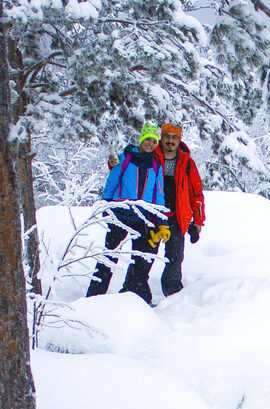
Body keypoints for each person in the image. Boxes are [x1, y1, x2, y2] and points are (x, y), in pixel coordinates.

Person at [85, 121, 204, 301]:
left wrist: (197, 221)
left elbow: (193, 193)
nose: (170, 141)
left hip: (169, 217)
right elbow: (119, 171)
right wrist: (107, 202)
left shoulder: (184, 163)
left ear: (179, 140)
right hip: (138, 214)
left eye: (174, 138)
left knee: (167, 258)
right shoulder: (149, 157)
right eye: (166, 137)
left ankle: (172, 299)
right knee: (131, 256)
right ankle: (115, 294)